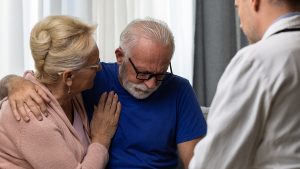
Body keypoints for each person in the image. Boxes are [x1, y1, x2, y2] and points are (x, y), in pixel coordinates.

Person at [0, 18, 207, 168]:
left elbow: (198, 164)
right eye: (143, 73)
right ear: (120, 56)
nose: (152, 84)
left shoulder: (178, 89)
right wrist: (12, 82)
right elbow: (47, 77)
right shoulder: (87, 83)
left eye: (160, 73)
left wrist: (13, 81)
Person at [189, 0, 300, 168]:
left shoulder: (256, 61)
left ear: (253, 2)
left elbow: (212, 164)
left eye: (237, 7)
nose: (240, 22)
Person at [0, 15, 121, 169]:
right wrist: (101, 140)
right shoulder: (33, 117)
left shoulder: (70, 93)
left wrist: (10, 81)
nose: (100, 69)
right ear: (68, 76)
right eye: (94, 65)